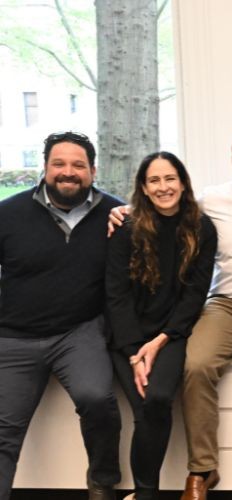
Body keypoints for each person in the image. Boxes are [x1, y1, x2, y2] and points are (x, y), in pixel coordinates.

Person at [109, 128, 232, 500]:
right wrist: (122, 211)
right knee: (196, 364)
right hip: (224, 303)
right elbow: (165, 206)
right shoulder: (212, 200)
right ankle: (202, 469)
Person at [0, 132, 122, 500]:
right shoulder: (9, 213)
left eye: (78, 165)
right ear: (45, 167)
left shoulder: (115, 214)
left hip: (78, 332)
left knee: (98, 399)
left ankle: (102, 482)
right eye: (59, 164)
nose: (68, 172)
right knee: (3, 430)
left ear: (93, 170)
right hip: (13, 337)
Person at [105, 152, 217, 500]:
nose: (163, 186)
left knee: (158, 397)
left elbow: (196, 293)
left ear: (183, 183)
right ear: (144, 186)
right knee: (143, 406)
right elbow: (116, 295)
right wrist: (135, 352)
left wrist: (160, 341)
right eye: (154, 180)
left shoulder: (202, 228)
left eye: (170, 178)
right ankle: (146, 493)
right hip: (126, 336)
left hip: (172, 332)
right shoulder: (126, 227)